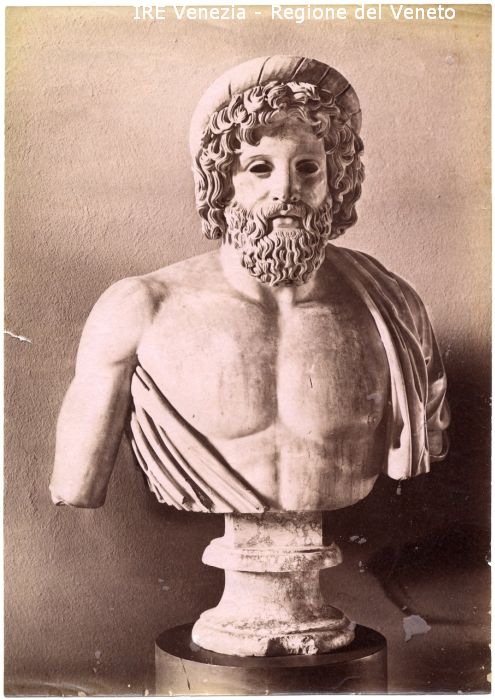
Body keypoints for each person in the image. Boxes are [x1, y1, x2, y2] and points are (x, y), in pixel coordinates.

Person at [50, 55, 450, 515]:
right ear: (222, 182)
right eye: (260, 168)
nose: (286, 190)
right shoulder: (142, 309)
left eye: (308, 168)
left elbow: (430, 434)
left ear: (334, 180)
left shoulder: (394, 309)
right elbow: (77, 480)